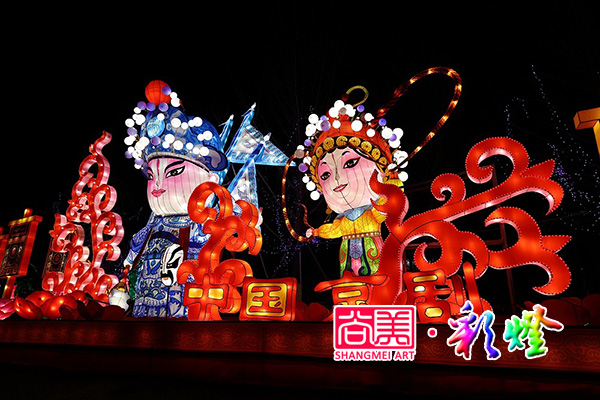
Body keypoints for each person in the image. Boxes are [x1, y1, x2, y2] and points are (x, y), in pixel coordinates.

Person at [121, 81, 229, 318]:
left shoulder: (205, 229)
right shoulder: (148, 230)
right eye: (152, 176)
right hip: (142, 310)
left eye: (174, 173)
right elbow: (130, 262)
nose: (158, 186)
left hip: (184, 310)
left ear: (210, 179)